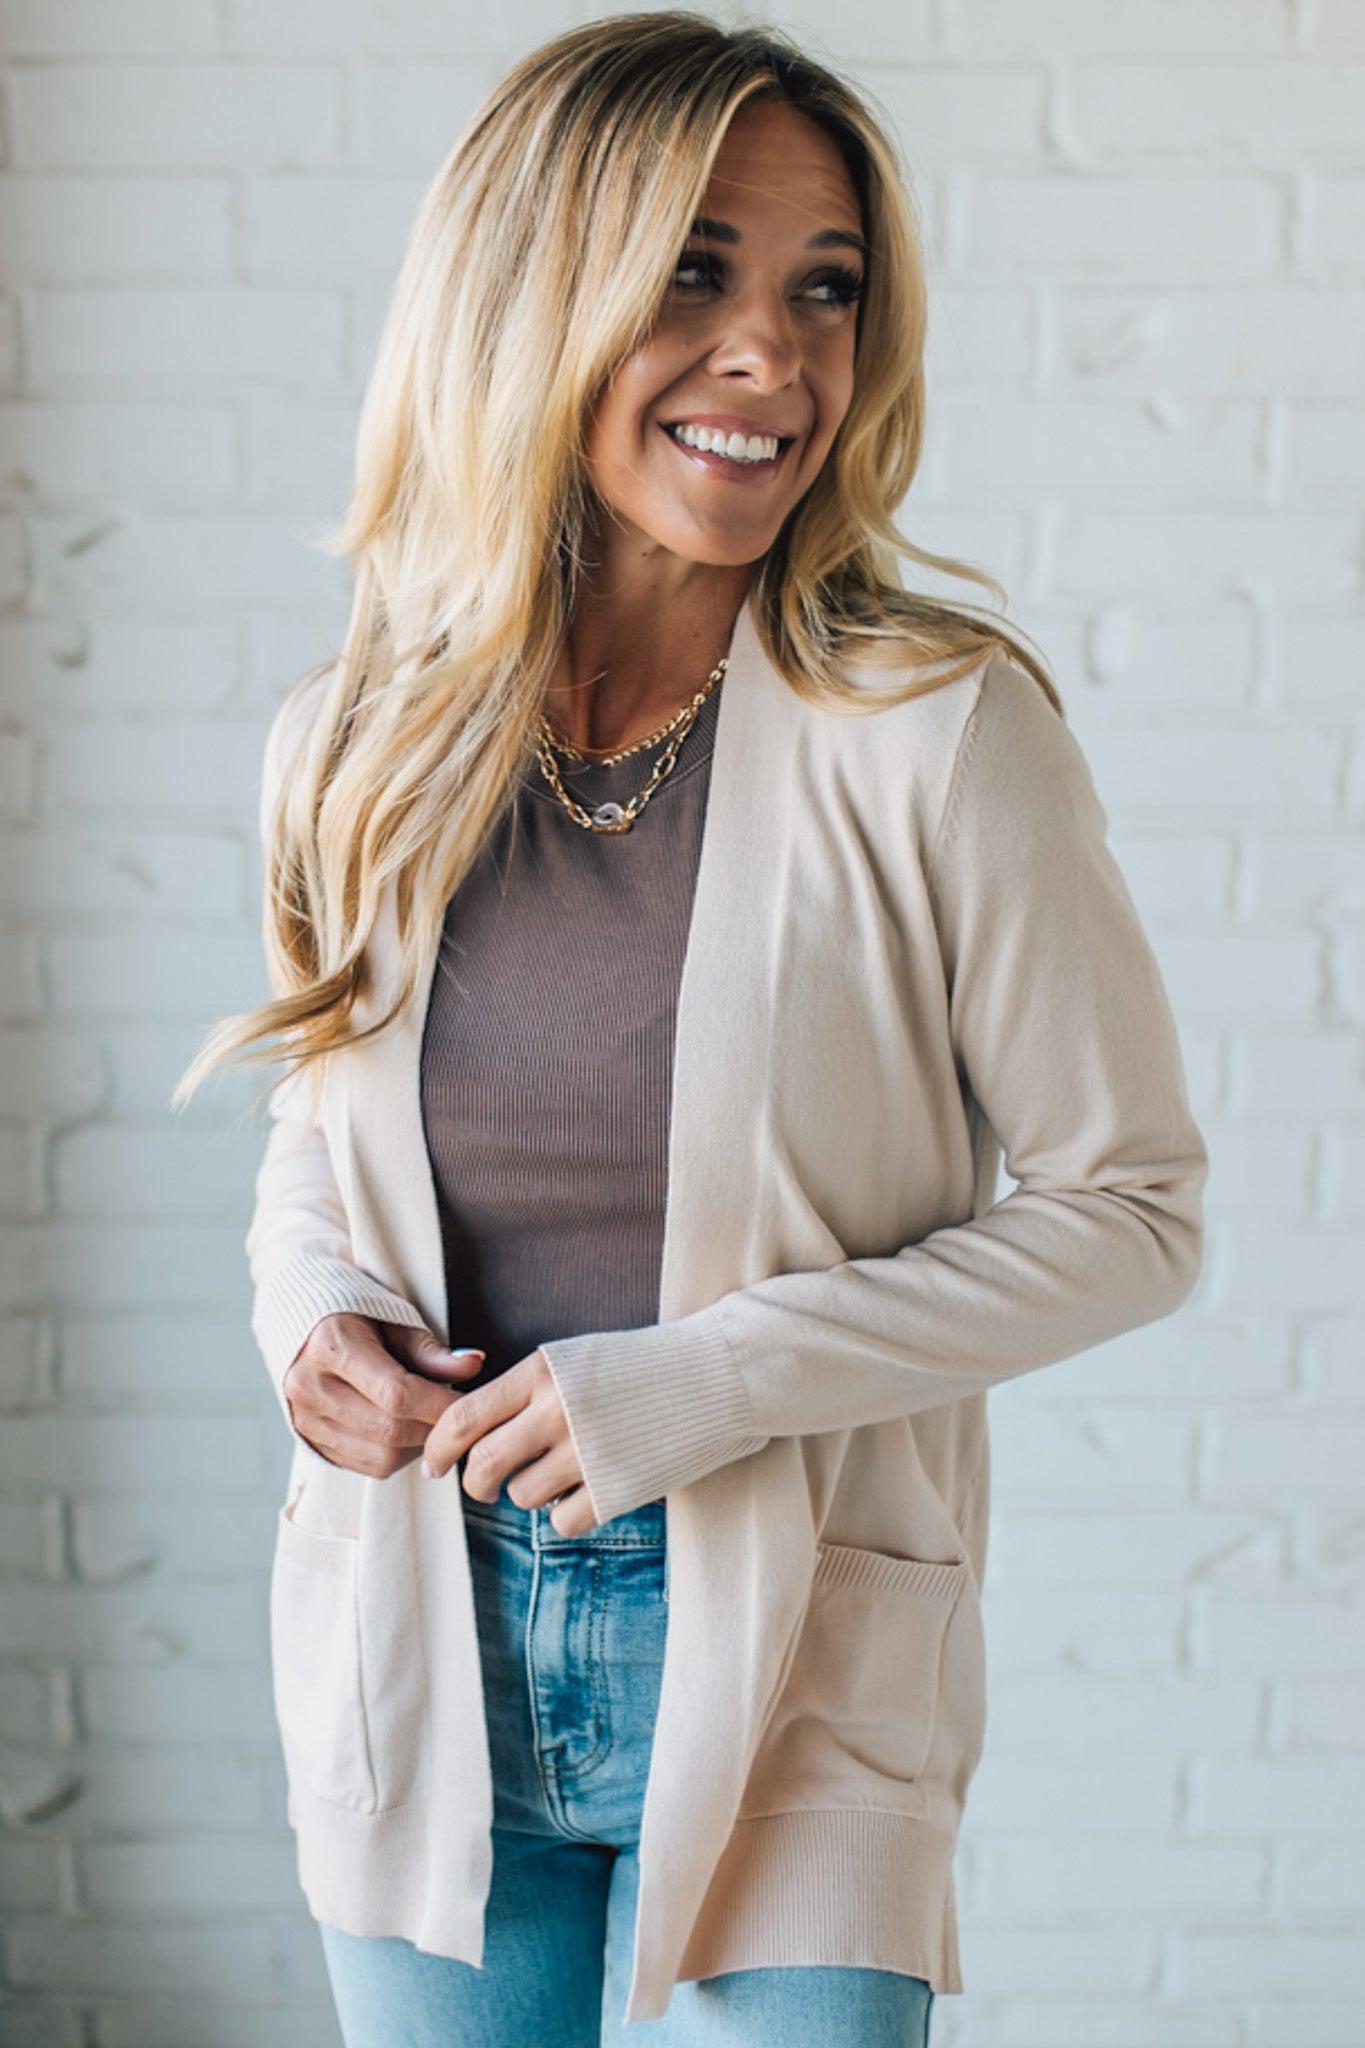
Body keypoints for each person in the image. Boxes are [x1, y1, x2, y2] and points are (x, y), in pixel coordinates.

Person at [174, 13, 1208, 2044]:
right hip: (417, 1624)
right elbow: (328, 1130)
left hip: (808, 1634)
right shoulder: (354, 743)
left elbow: (1131, 1205)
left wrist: (707, 1377)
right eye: (692, 273)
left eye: (821, 291)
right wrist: (311, 1327)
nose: (774, 357)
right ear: (528, 290)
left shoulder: (934, 731)